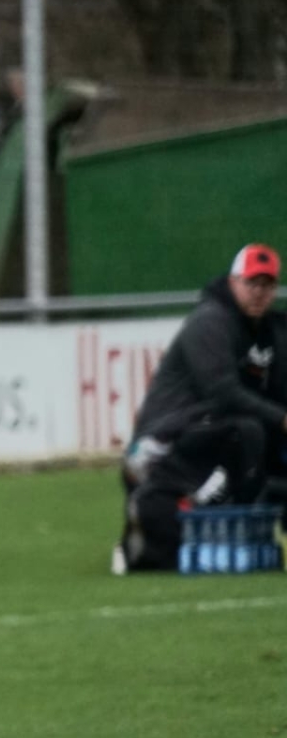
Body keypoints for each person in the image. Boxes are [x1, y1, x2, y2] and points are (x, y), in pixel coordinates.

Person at [115, 243, 286, 573]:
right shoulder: (210, 322)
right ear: (233, 282)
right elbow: (223, 394)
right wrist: (281, 419)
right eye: (252, 283)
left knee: (257, 440)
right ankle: (156, 534)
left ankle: (235, 532)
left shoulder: (265, 331)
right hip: (161, 447)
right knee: (248, 432)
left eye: (267, 285)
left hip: (206, 438)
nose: (259, 293)